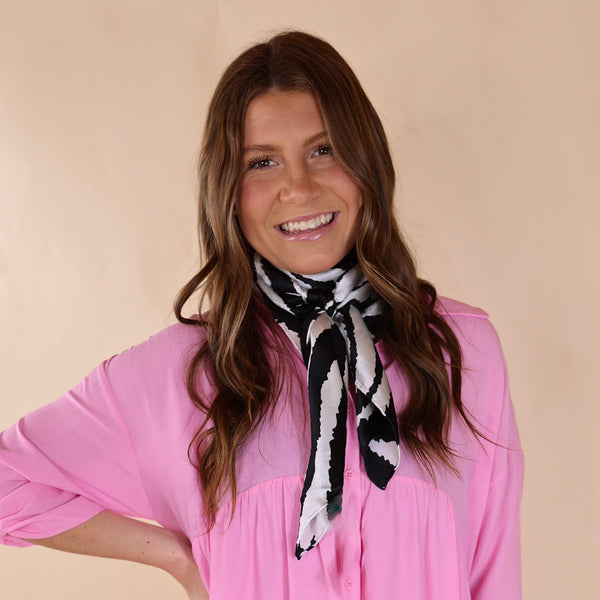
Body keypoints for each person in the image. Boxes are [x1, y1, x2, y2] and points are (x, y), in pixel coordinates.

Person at [0, 30, 523, 599]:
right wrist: (178, 558)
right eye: (263, 162)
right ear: (228, 191)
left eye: (323, 150)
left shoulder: (461, 351)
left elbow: (493, 576)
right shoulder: (181, 375)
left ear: (365, 164)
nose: (298, 187)